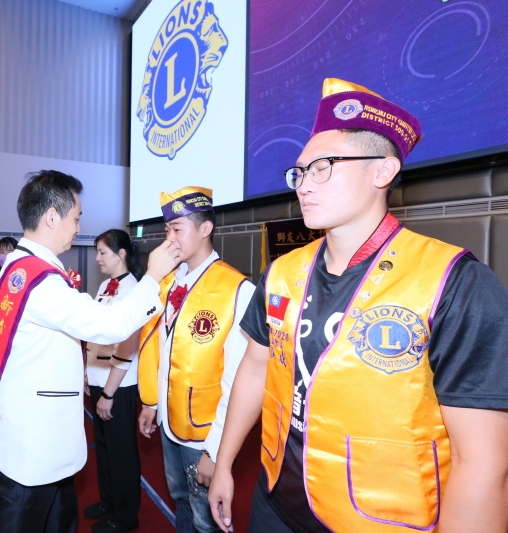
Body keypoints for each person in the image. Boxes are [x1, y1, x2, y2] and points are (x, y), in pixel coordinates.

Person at [208, 78, 508, 533]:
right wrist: (224, 460)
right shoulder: (282, 272)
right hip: (274, 501)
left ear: (382, 172)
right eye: (299, 172)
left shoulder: (454, 284)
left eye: (322, 167)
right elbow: (254, 369)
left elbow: (482, 463)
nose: (303, 186)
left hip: (378, 520)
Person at [0, 170, 182, 533]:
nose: (78, 228)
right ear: (52, 217)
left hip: (30, 434)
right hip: (34, 446)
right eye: (76, 219)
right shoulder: (41, 281)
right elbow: (111, 324)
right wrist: (153, 277)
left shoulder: (19, 268)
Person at [137, 186, 255, 533]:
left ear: (205, 229)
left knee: (207, 520)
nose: (169, 238)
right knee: (181, 501)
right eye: (167, 230)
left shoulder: (236, 289)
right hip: (170, 424)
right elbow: (160, 350)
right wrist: (153, 403)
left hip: (204, 433)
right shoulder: (166, 284)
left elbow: (239, 380)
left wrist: (216, 451)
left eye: (177, 229)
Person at [84, 229, 144, 533]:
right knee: (105, 447)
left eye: (102, 252)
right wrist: (88, 373)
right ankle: (109, 501)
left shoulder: (132, 291)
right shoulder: (106, 286)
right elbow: (96, 333)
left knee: (122, 451)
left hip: (118, 385)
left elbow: (126, 346)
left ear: (121, 254)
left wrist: (108, 393)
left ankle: (126, 515)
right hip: (100, 378)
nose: (97, 258)